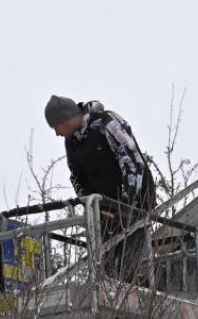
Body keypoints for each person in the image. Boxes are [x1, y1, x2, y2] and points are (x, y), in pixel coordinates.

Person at [44, 96, 156, 283]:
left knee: (127, 265)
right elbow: (76, 177)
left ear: (66, 119)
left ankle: (139, 292)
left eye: (57, 127)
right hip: (104, 210)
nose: (57, 133)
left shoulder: (107, 123)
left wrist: (128, 206)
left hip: (135, 203)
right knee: (105, 269)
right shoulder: (71, 142)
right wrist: (89, 200)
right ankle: (114, 297)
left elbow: (132, 164)